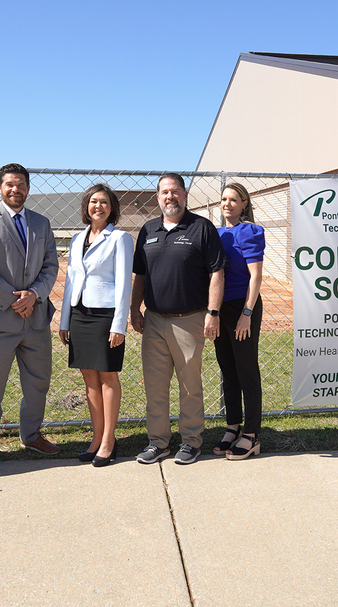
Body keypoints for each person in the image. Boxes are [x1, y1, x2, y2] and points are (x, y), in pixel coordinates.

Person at [0, 163, 60, 470]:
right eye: (9, 184)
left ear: (28, 188)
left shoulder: (41, 223)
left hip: (35, 319)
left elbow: (50, 265)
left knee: (38, 382)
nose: (15, 189)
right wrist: (14, 300)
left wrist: (34, 294)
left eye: (20, 184)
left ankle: (31, 434)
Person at [131, 173, 227, 465]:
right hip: (155, 320)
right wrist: (135, 309)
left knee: (189, 385)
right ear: (158, 197)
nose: (169, 196)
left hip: (190, 319)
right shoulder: (148, 230)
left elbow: (217, 273)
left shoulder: (201, 228)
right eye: (164, 192)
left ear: (185, 195)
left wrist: (212, 313)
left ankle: (190, 441)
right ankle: (158, 443)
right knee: (155, 386)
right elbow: (140, 276)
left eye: (175, 191)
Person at [59, 184, 132, 467]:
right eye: (93, 202)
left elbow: (125, 284)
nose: (97, 206)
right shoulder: (77, 239)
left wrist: (119, 325)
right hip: (79, 313)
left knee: (107, 376)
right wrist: (65, 319)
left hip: (105, 314)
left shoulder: (121, 239)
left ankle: (109, 441)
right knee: (89, 377)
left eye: (103, 202)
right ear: (85, 207)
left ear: (111, 207)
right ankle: (96, 437)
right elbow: (71, 282)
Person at [212, 182, 265, 460]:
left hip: (243, 307)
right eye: (223, 199)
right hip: (220, 309)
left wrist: (246, 314)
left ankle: (252, 433)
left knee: (246, 370)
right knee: (227, 369)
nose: (227, 203)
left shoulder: (251, 232)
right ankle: (233, 425)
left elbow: (255, 277)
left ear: (244, 204)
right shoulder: (216, 233)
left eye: (234, 199)